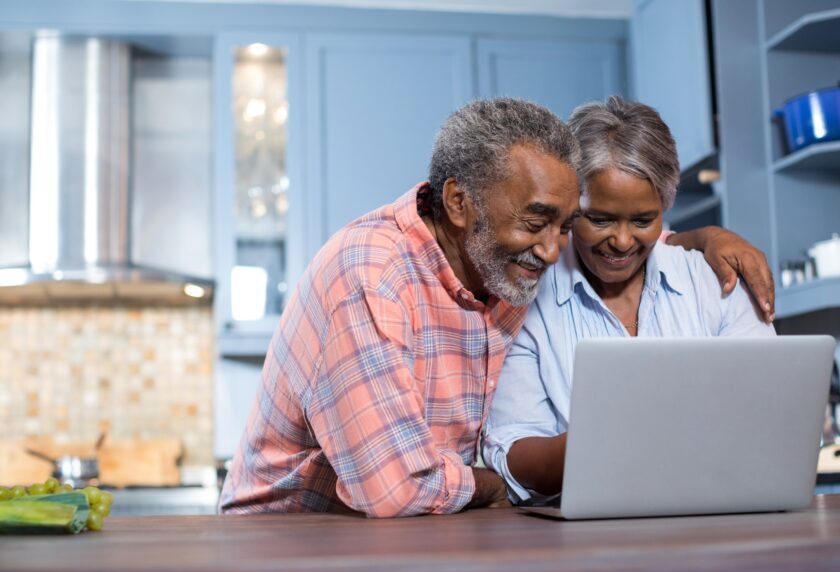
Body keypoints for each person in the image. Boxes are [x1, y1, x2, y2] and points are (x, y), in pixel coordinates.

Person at [220, 97, 774, 518]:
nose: (555, 250)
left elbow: (627, 235)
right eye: (539, 223)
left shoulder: (502, 267)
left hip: (415, 535)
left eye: (564, 224)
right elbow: (395, 489)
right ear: (460, 202)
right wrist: (490, 483)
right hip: (293, 539)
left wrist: (699, 237)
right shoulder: (371, 275)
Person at [482, 96, 776, 505]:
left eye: (643, 221)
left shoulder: (717, 282)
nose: (621, 242)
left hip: (722, 510)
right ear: (569, 207)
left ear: (664, 210)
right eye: (599, 219)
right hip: (586, 528)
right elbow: (512, 446)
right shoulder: (527, 299)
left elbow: (773, 415)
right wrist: (607, 444)